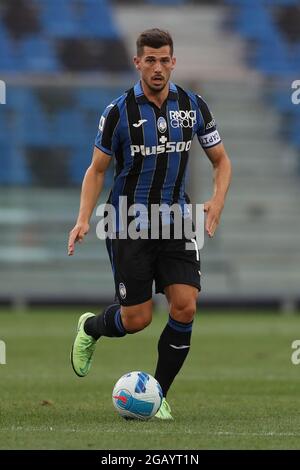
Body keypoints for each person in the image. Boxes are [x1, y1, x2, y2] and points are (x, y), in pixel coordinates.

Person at [68, 28, 231, 420]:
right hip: (129, 223)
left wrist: (217, 202)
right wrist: (83, 218)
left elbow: (221, 161)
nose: (157, 68)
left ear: (173, 62)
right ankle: (91, 328)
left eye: (164, 60)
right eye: (150, 60)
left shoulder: (193, 106)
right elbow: (96, 171)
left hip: (176, 221)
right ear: (137, 62)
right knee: (137, 319)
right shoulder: (118, 112)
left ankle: (157, 396)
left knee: (185, 306)